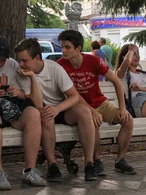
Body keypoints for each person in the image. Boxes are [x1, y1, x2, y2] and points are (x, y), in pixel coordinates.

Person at [14, 38, 98, 181]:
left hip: (60, 108)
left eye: (24, 60)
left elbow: (74, 96)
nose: (21, 64)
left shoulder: (54, 68)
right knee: (46, 115)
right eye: (19, 60)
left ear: (37, 58)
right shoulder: (23, 73)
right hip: (41, 111)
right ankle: (52, 164)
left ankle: (89, 163)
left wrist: (58, 108)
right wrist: (33, 77)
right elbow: (36, 104)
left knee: (84, 112)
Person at [57, 30, 136, 176]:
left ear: (78, 49)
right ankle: (97, 160)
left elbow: (117, 82)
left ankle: (120, 160)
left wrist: (123, 108)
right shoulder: (60, 66)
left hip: (100, 103)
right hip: (78, 107)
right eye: (62, 46)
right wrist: (92, 111)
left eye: (67, 47)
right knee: (93, 121)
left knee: (128, 120)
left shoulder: (93, 61)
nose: (63, 50)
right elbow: (72, 95)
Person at [0, 36, 46, 190]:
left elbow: (31, 99)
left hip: (11, 109)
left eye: (3, 60)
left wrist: (18, 92)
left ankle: (29, 170)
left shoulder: (13, 65)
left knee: (33, 114)